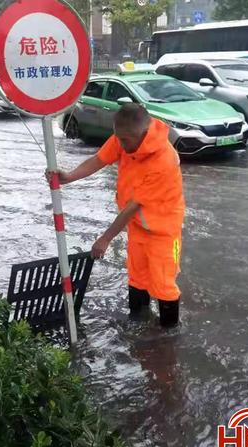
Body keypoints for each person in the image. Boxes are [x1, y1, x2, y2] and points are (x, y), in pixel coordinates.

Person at [52, 104, 185, 327]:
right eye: (118, 139)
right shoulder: (125, 138)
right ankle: (138, 324)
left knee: (164, 285)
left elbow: (133, 205)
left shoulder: (163, 160)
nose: (120, 145)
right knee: (136, 277)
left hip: (164, 230)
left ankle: (167, 339)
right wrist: (69, 177)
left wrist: (105, 239)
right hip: (138, 226)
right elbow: (99, 159)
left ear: (143, 134)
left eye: (125, 140)